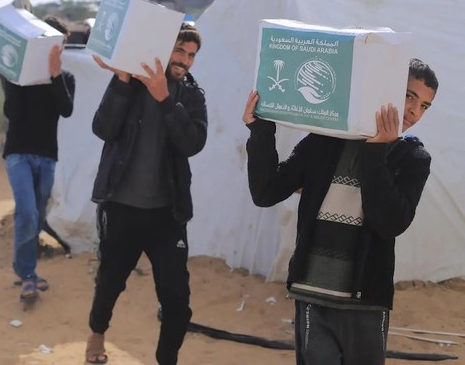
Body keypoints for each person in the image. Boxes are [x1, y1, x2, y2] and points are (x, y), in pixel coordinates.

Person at [243, 58, 439, 365]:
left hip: (366, 302)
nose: (414, 111)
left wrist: (376, 151)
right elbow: (266, 192)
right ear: (384, 87)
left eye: (425, 105)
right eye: (409, 96)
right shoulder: (326, 141)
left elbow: (390, 223)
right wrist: (261, 130)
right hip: (311, 295)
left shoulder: (412, 157)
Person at [84, 23, 207, 365]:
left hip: (168, 215)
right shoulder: (130, 83)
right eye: (180, 51)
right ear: (164, 50)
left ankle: (166, 360)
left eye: (192, 55)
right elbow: (103, 128)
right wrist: (123, 82)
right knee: (110, 282)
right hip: (121, 208)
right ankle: (97, 332)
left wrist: (165, 100)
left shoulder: (192, 96)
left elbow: (193, 143)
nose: (185, 60)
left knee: (177, 300)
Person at [1, 15, 75, 302]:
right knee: (27, 212)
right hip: (18, 153)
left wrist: (55, 74)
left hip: (47, 156)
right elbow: (12, 114)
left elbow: (66, 109)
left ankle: (24, 269)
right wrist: (17, 78)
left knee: (38, 215)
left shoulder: (65, 78)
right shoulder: (19, 76)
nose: (60, 51)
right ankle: (27, 275)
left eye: (63, 46)